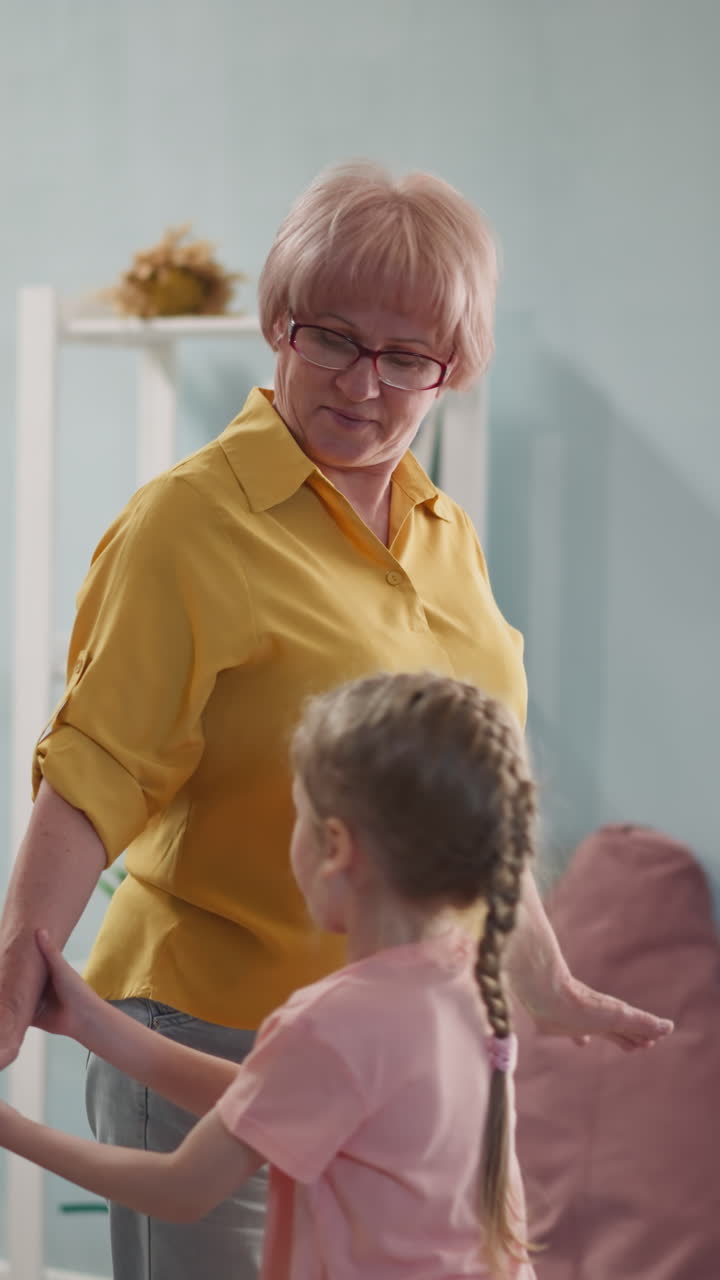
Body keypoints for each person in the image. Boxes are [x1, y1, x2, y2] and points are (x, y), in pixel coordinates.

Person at [0, 162, 672, 1280]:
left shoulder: (444, 531)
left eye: (407, 356)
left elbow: (474, 787)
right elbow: (93, 773)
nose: (366, 383)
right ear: (280, 321)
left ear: (451, 370)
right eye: (333, 338)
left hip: (399, 1053)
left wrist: (547, 980)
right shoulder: (188, 524)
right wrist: (16, 972)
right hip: (205, 1024)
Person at [3, 671, 543, 1278]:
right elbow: (270, 1100)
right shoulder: (463, 981)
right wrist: (94, 1025)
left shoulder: (334, 1021)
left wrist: (13, 1130)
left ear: (335, 846)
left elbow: (183, 1189)